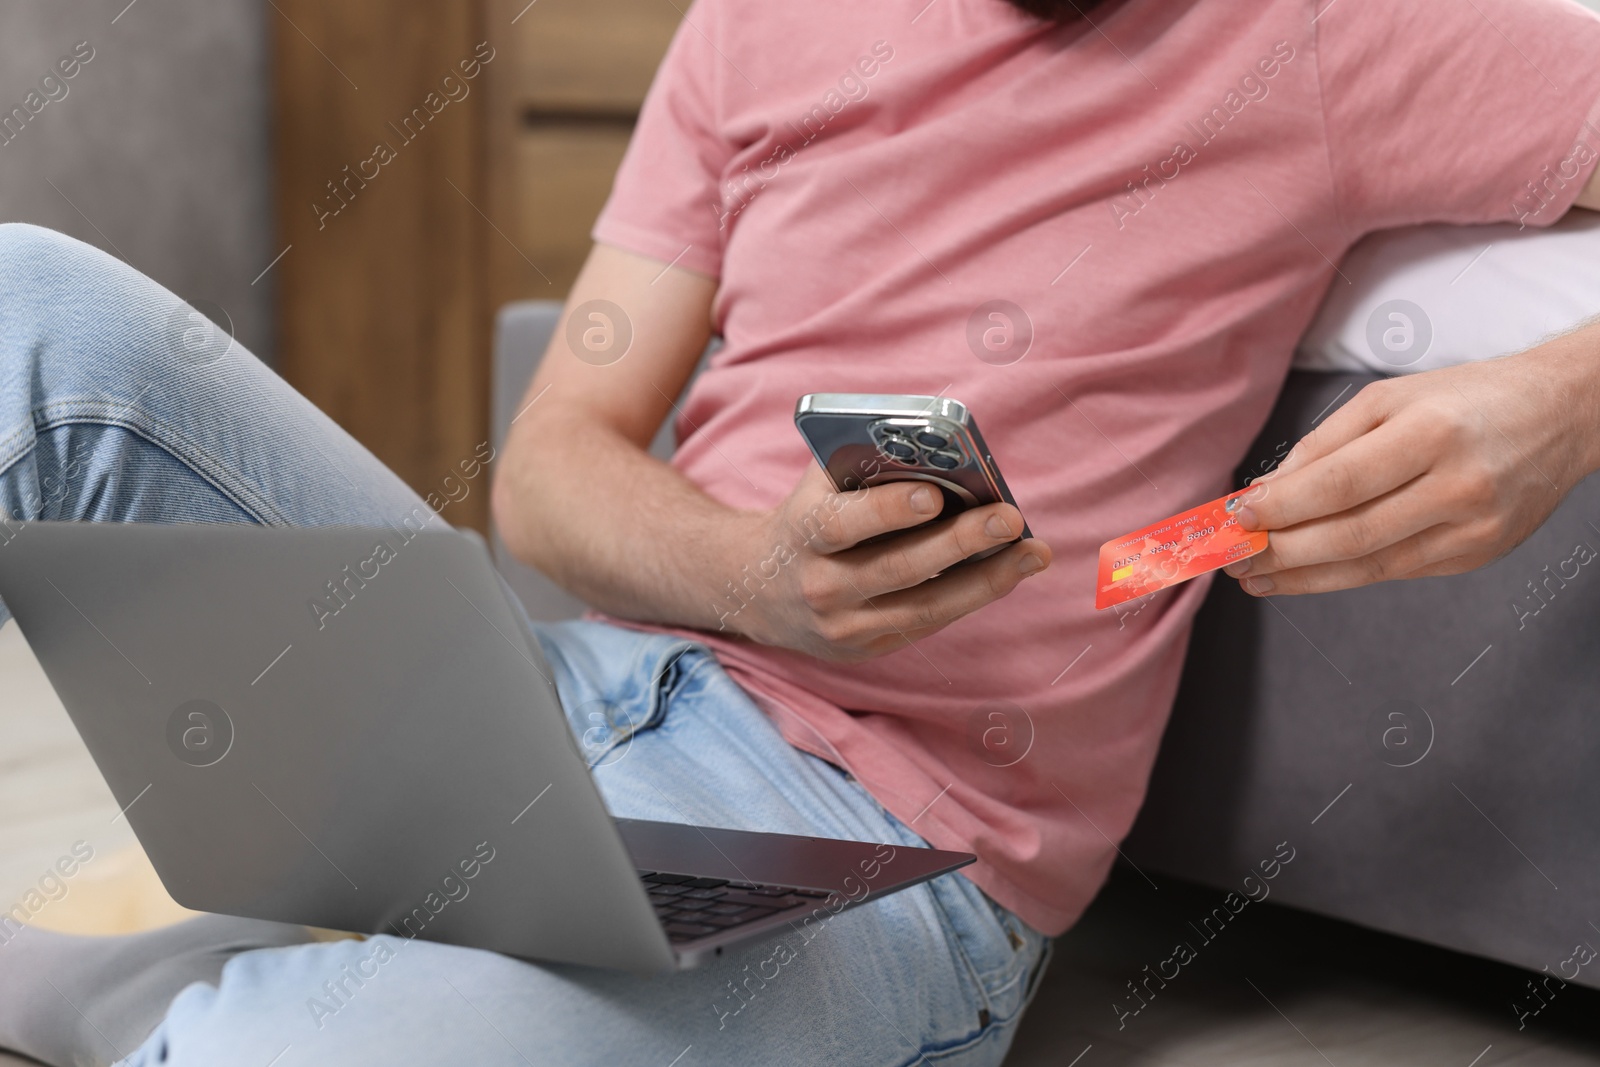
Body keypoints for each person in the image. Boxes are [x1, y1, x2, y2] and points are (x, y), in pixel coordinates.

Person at [4, 0, 1600, 1063]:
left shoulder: (1323, 38)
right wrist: (750, 574)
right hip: (555, 700)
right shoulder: (759, 21)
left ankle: (159, 988)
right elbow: (553, 465)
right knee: (31, 303)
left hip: (887, 853)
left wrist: (1557, 401)